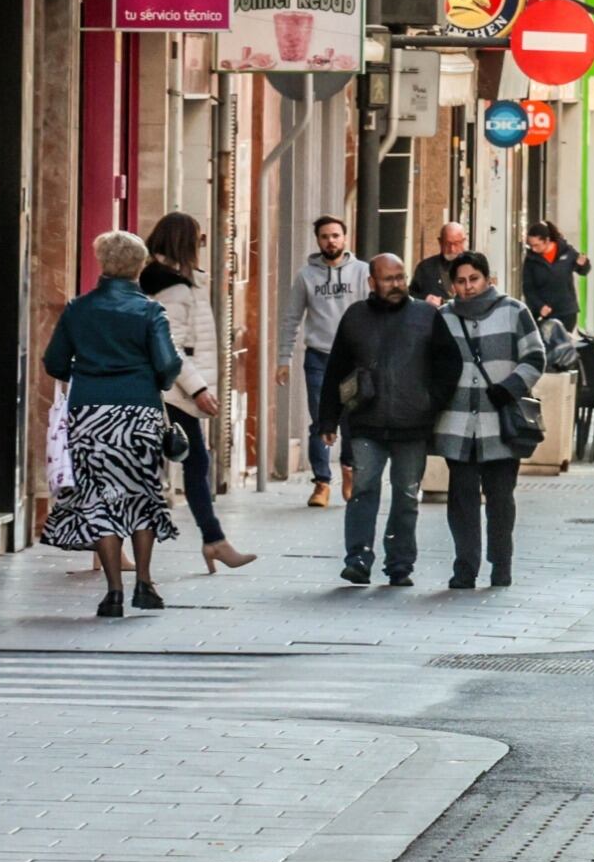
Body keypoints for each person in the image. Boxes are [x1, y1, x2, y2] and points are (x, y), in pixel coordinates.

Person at [42, 231, 186, 617]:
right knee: (142, 493)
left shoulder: (77, 309)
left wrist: (88, 371)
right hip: (139, 412)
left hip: (90, 415)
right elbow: (169, 364)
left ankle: (113, 592)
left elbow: (54, 362)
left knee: (100, 496)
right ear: (139, 267)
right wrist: (153, 379)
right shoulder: (149, 311)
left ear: (102, 264)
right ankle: (145, 582)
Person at [322, 254, 461, 587]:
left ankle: (400, 564)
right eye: (388, 279)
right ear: (372, 282)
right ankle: (357, 558)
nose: (396, 284)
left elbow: (450, 364)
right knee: (364, 490)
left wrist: (431, 401)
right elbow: (336, 371)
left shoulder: (426, 316)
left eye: (400, 277)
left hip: (411, 425)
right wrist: (327, 420)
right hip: (366, 423)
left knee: (406, 496)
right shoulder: (355, 317)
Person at [140, 214, 252, 574]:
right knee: (192, 463)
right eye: (199, 240)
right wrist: (198, 388)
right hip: (172, 391)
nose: (203, 247)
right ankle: (214, 541)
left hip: (174, 390)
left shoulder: (181, 282)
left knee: (161, 466)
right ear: (183, 242)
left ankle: (213, 541)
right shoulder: (172, 287)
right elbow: (170, 346)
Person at [435, 253, 549, 590]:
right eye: (461, 281)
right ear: (452, 284)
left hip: (500, 423)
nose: (468, 287)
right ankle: (465, 567)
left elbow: (535, 356)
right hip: (457, 425)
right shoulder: (443, 317)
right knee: (461, 500)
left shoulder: (513, 310)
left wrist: (511, 386)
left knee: (501, 500)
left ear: (487, 278)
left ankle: (501, 563)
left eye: (474, 279)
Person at [276, 215, 370, 508]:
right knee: (320, 418)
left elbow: (374, 314)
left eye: (336, 235)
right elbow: (292, 318)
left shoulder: (362, 272)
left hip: (354, 357)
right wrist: (283, 357)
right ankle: (321, 482)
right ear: (318, 241)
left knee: (352, 417)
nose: (331, 241)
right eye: (325, 236)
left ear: (345, 238)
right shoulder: (306, 276)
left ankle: (349, 469)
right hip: (319, 356)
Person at [520, 220, 592, 332]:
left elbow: (583, 271)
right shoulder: (531, 260)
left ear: (547, 240)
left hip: (566, 312)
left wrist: (583, 264)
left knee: (563, 345)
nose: (533, 249)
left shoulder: (566, 251)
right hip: (544, 314)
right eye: (531, 246)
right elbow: (528, 288)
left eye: (537, 245)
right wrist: (540, 306)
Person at [410, 222, 468, 305]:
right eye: (447, 244)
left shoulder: (474, 266)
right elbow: (411, 296)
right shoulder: (425, 268)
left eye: (456, 243)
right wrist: (425, 299)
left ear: (464, 241)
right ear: (440, 242)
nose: (452, 249)